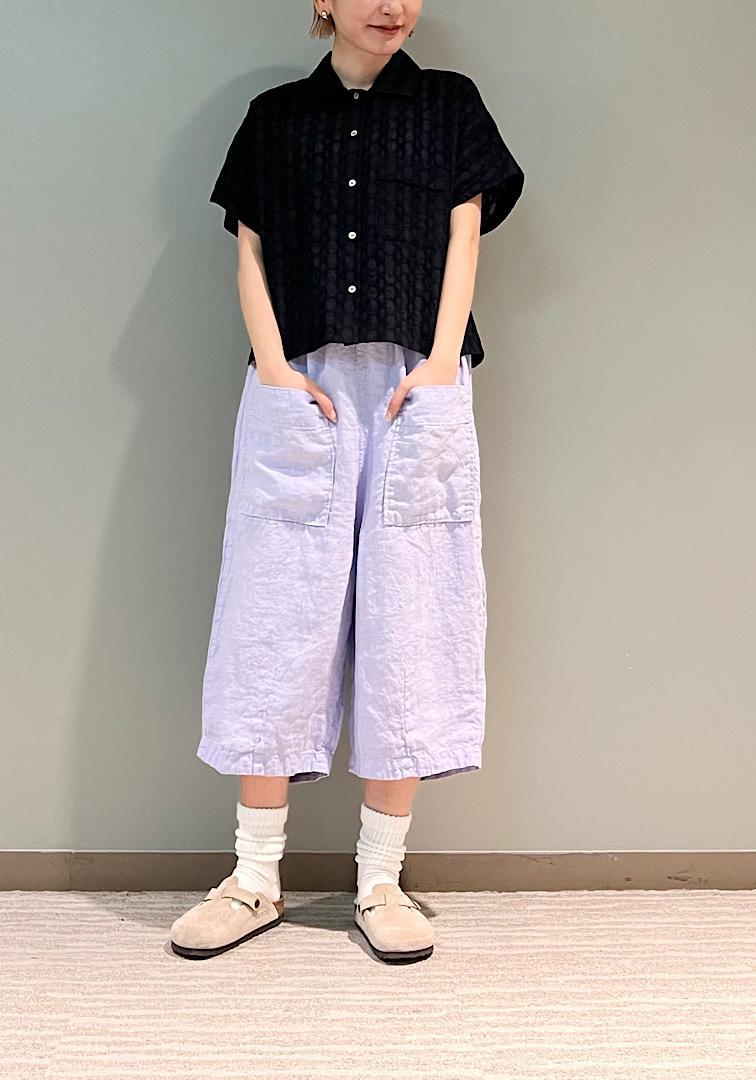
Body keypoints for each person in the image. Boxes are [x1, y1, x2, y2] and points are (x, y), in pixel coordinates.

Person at [171, 0, 524, 964]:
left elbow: (464, 237)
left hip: (417, 379)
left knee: (413, 612)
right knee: (273, 611)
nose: (392, 6)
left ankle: (380, 882)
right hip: (301, 381)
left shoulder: (449, 105)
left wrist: (442, 362)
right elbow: (249, 248)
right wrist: (273, 366)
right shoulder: (276, 118)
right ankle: (253, 878)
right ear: (324, 1)